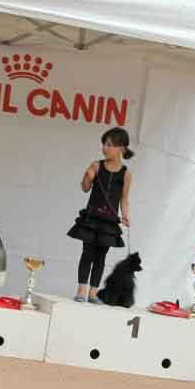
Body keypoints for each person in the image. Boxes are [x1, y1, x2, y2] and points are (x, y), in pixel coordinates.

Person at [69, 128, 133, 304]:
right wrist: (87, 176)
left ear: (121, 148)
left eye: (110, 145)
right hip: (92, 217)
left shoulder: (126, 174)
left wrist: (126, 215)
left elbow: (124, 199)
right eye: (104, 144)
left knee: (101, 257)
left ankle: (93, 292)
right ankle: (81, 290)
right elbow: (85, 188)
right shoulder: (96, 165)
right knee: (87, 252)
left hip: (109, 221)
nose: (105, 148)